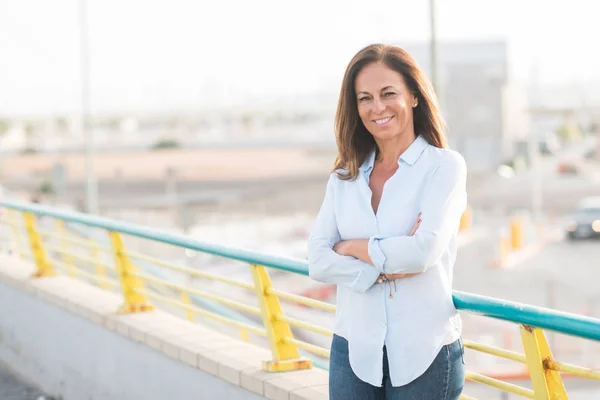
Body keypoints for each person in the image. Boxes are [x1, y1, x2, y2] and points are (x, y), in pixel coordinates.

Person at [307, 43, 467, 399]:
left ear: (413, 96)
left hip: (424, 352)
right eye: (365, 98)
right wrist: (377, 271)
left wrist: (351, 248)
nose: (377, 107)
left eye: (388, 93)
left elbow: (422, 252)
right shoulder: (344, 177)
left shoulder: (444, 167)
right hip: (354, 350)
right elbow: (317, 260)